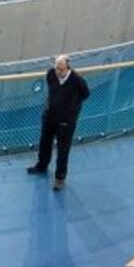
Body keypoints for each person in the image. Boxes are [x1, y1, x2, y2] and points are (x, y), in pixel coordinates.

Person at [27, 54, 89, 189]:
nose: (58, 72)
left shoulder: (77, 81)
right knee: (45, 142)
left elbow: (85, 94)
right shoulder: (51, 74)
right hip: (49, 117)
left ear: (68, 68)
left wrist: (71, 110)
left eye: (61, 69)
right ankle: (42, 165)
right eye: (56, 68)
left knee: (63, 150)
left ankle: (59, 177)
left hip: (66, 122)